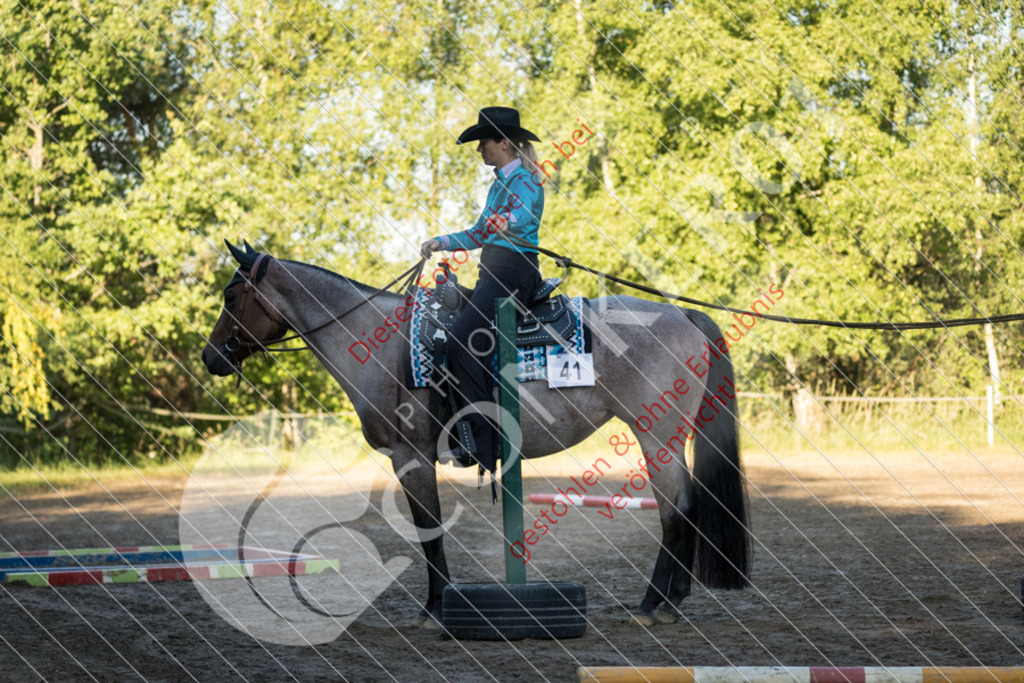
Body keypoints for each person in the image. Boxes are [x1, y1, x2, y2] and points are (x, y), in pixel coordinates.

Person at [420, 106, 545, 473]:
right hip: (494, 274)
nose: (479, 150)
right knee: (446, 324)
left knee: (461, 339)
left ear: (504, 142)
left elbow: (520, 214)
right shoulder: (498, 184)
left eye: (483, 142)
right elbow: (478, 233)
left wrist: (506, 219)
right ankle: (462, 425)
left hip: (514, 273)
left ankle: (484, 440)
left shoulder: (524, 180)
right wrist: (440, 241)